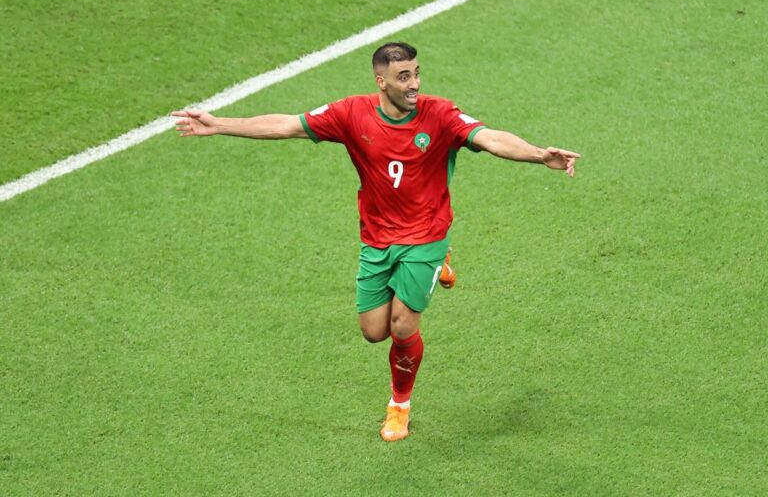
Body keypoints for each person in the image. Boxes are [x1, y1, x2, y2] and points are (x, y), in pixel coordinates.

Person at [173, 42, 580, 441]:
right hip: (378, 238)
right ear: (381, 81)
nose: (414, 84)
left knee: (402, 326)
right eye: (404, 77)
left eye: (416, 74)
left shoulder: (440, 114)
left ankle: (399, 405)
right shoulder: (351, 114)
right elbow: (287, 125)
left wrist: (538, 155)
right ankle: (439, 268)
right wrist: (219, 124)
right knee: (373, 331)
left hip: (426, 235)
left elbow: (490, 138)